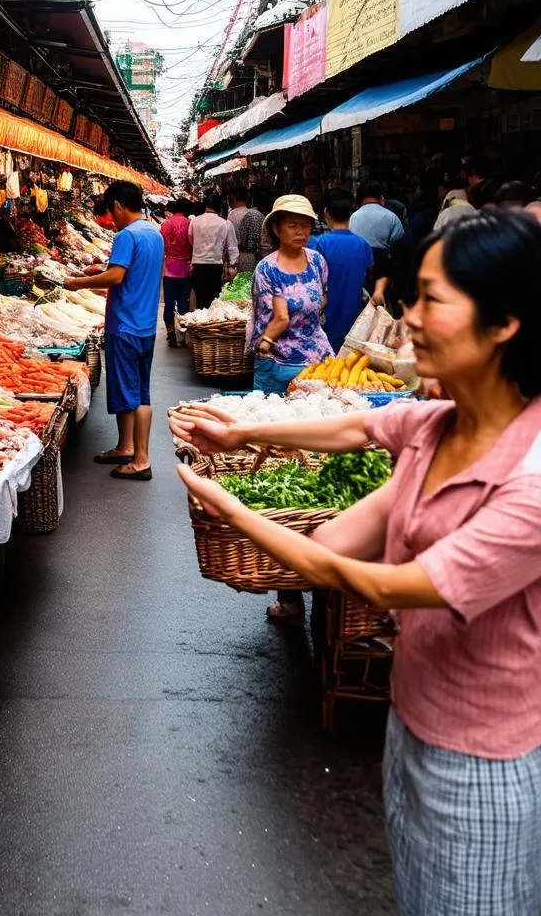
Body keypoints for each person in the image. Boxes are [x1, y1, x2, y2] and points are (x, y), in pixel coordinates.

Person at [171, 206, 541, 915]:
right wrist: (238, 437)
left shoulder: (527, 482)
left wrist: (237, 512)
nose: (407, 318)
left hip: (482, 765)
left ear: (504, 323)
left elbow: (372, 580)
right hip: (412, 727)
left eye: (432, 300)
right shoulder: (437, 426)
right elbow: (354, 431)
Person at [251, 193, 333, 625]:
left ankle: (296, 590)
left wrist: (274, 338)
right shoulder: (270, 267)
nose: (299, 230)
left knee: (298, 463)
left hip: (300, 363)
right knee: (290, 465)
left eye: (305, 223)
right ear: (277, 228)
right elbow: (299, 311)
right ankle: (291, 590)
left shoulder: (315, 261)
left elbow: (297, 314)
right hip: (293, 363)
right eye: (291, 224)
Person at [64, 181, 163, 481]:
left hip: (124, 324)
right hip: (145, 324)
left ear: (119, 205)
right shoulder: (154, 233)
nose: (112, 217)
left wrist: (77, 283)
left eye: (111, 210)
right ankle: (126, 447)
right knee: (139, 391)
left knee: (127, 390)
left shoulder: (126, 235)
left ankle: (140, 460)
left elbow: (117, 277)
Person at [308, 189, 377, 352]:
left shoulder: (318, 243)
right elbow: (370, 274)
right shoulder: (363, 244)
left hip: (324, 317)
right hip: (353, 317)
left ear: (326, 213)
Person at [189, 192, 238, 309]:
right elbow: (232, 247)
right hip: (215, 266)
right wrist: (232, 265)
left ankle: (201, 323)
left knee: (200, 299)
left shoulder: (194, 221)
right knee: (214, 299)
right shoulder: (225, 223)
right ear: (220, 206)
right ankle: (210, 323)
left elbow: (191, 240)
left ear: (206, 205)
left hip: (198, 265)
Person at [159, 199, 192, 347]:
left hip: (170, 267)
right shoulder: (190, 223)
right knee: (184, 302)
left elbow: (162, 245)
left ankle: (171, 333)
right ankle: (184, 333)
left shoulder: (166, 224)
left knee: (169, 303)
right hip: (186, 266)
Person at [349, 180, 405, 258]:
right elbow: (399, 241)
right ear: (381, 196)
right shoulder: (391, 216)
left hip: (359, 261)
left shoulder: (353, 217)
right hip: (384, 263)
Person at [226, 185, 263, 272]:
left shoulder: (232, 214)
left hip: (240, 256)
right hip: (256, 257)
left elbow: (231, 239)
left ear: (233, 198)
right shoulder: (256, 214)